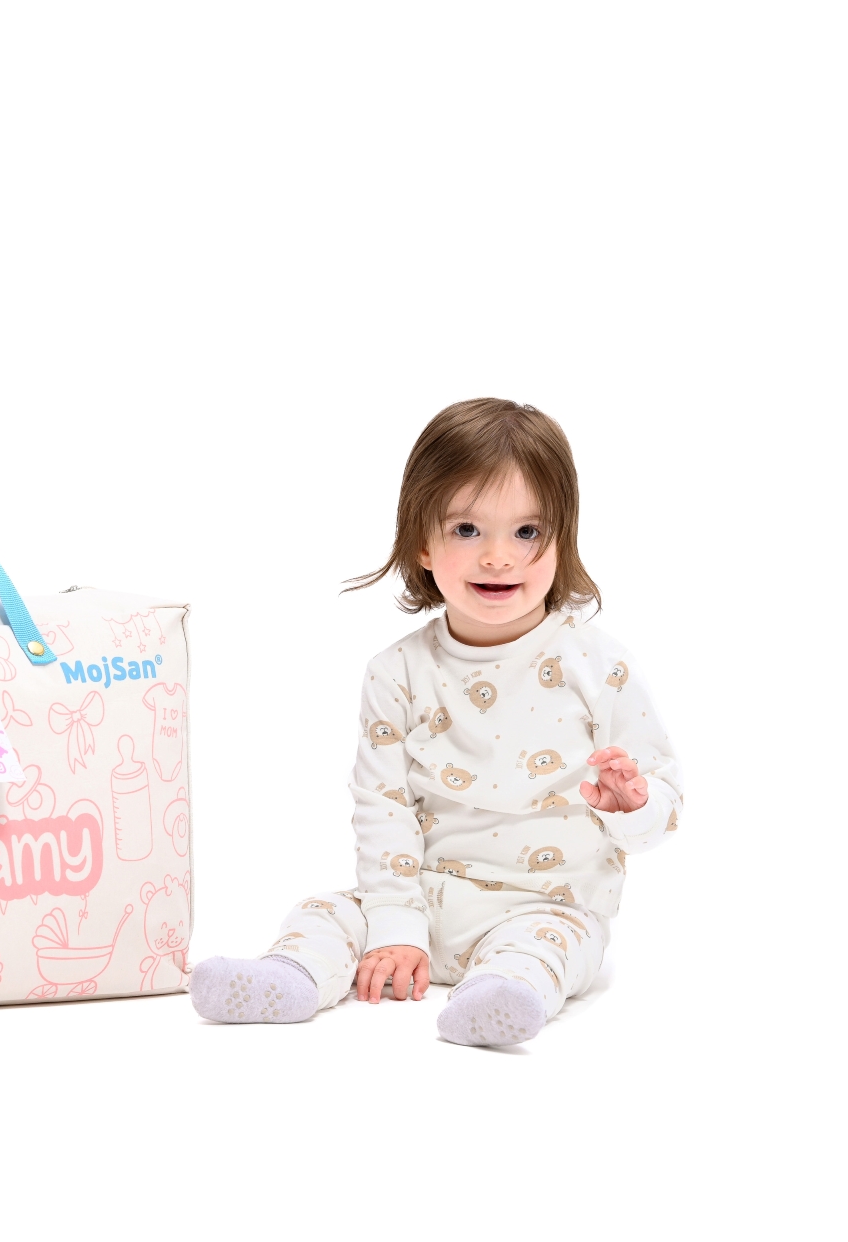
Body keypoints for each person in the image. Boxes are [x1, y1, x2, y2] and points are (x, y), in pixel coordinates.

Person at [189, 398, 684, 1046]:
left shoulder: (599, 666)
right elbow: (382, 805)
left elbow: (664, 807)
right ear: (422, 541)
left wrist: (633, 806)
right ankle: (291, 978)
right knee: (324, 911)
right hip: (421, 899)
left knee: (545, 949)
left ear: (563, 538)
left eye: (527, 531)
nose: (498, 557)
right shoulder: (396, 672)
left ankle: (502, 997)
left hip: (548, 906)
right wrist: (396, 927)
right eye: (467, 529)